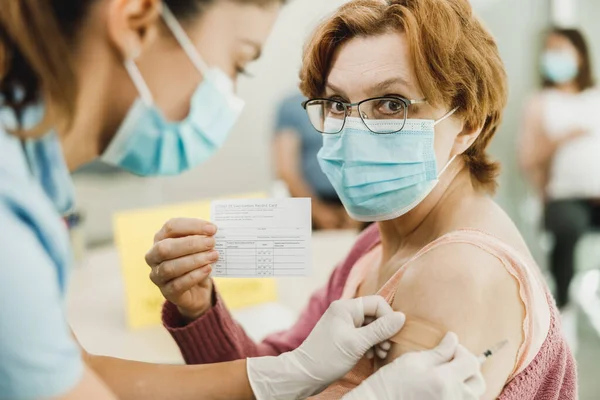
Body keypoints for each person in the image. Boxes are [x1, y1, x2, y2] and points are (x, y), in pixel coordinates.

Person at [0, 0, 486, 399]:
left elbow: (77, 370)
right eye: (239, 61)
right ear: (136, 22)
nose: (227, 95)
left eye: (391, 105)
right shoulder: (9, 224)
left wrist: (288, 372)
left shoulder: (30, 181)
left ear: (468, 124)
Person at [149, 0, 577, 399]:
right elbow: (283, 373)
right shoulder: (376, 242)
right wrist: (199, 309)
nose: (353, 132)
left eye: (391, 104)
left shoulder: (457, 272)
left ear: (468, 123)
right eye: (337, 103)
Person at [519, 27, 600, 340]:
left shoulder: (596, 98)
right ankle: (563, 307)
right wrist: (560, 140)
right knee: (566, 226)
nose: (554, 56)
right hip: (564, 198)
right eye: (549, 50)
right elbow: (528, 159)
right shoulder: (540, 102)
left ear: (579, 54)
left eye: (561, 49)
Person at [273, 91, 360, 230]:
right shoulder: (291, 106)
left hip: (363, 203)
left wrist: (361, 209)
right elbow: (286, 170)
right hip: (313, 205)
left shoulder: (359, 100)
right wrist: (318, 212)